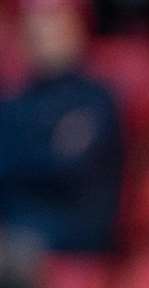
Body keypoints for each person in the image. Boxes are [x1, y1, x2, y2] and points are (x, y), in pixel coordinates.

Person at [0, 0, 124, 253]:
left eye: (54, 30)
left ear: (75, 32)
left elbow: (71, 163)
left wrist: (25, 154)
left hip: (74, 226)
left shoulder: (95, 99)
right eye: (35, 33)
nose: (45, 41)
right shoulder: (13, 103)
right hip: (15, 223)